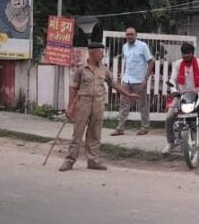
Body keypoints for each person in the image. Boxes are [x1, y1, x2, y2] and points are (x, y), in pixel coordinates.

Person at [60, 41, 140, 172]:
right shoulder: (81, 69)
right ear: (92, 53)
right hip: (83, 103)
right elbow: (73, 88)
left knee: (95, 133)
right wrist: (70, 107)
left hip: (98, 103)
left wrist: (128, 94)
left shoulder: (104, 69)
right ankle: (69, 161)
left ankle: (93, 161)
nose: (102, 55)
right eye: (100, 52)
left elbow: (113, 84)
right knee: (77, 134)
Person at [111, 27, 155, 137]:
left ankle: (145, 127)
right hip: (127, 79)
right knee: (123, 104)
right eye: (128, 34)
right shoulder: (125, 47)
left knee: (142, 104)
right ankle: (120, 128)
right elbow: (127, 62)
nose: (129, 36)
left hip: (139, 80)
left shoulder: (143, 46)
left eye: (131, 34)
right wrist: (123, 75)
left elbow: (151, 62)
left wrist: (146, 79)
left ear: (136, 35)